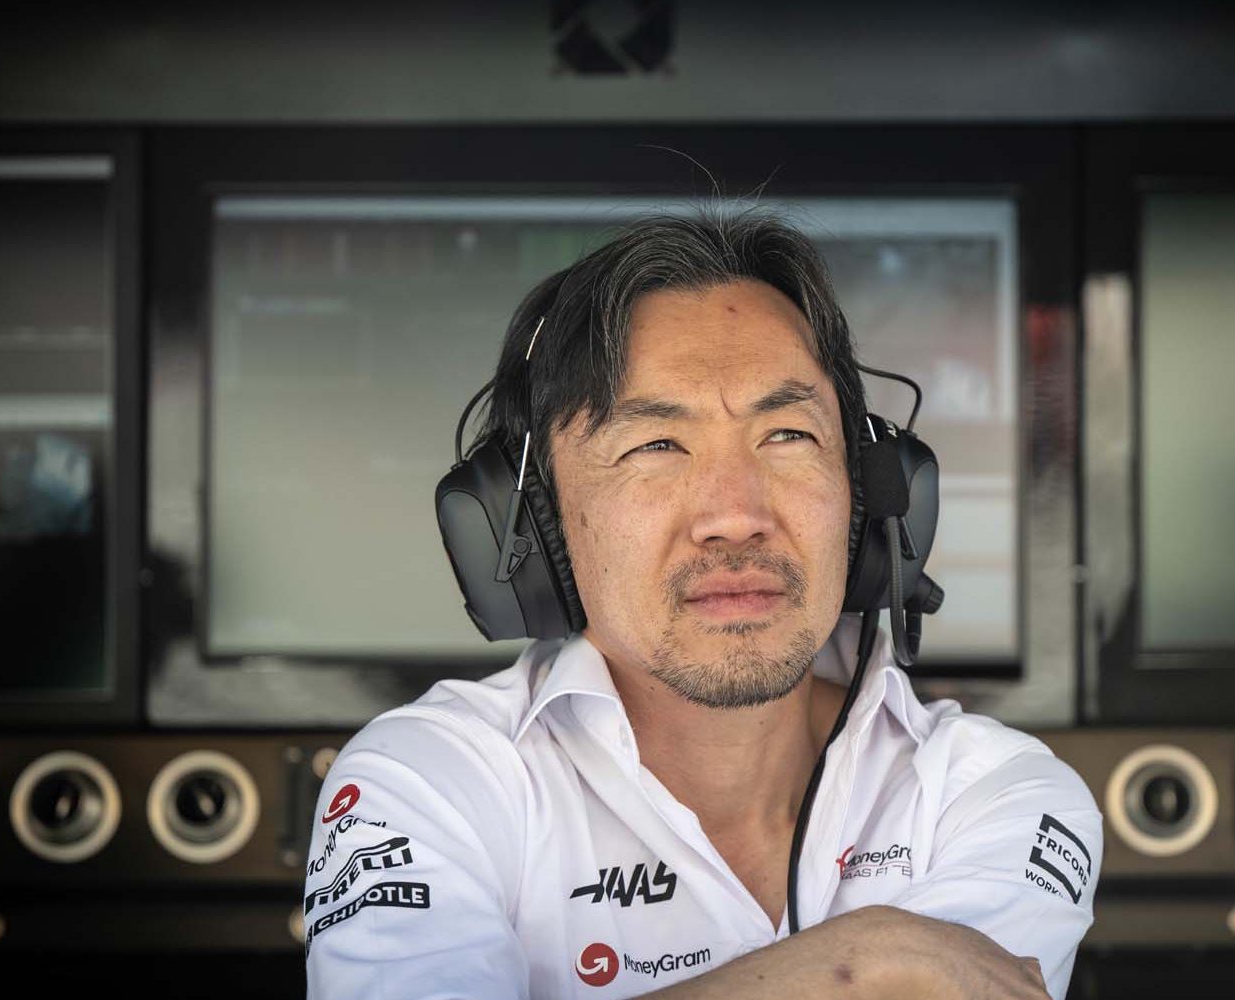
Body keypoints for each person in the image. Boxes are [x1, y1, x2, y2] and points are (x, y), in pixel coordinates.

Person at [304, 207, 1101, 998]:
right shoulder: (426, 782)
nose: (735, 516)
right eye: (655, 446)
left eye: (787, 435)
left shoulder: (997, 795)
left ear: (870, 499)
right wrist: (862, 960)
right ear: (536, 531)